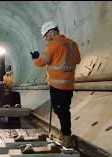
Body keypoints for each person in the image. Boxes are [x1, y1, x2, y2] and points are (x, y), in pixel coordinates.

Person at [30, 20, 81, 148]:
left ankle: (67, 138)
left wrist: (35, 58)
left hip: (57, 85)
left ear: (52, 33)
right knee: (65, 110)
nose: (46, 39)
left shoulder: (53, 44)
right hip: (69, 84)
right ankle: (65, 135)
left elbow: (41, 62)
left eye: (46, 36)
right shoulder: (72, 44)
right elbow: (78, 60)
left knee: (60, 110)